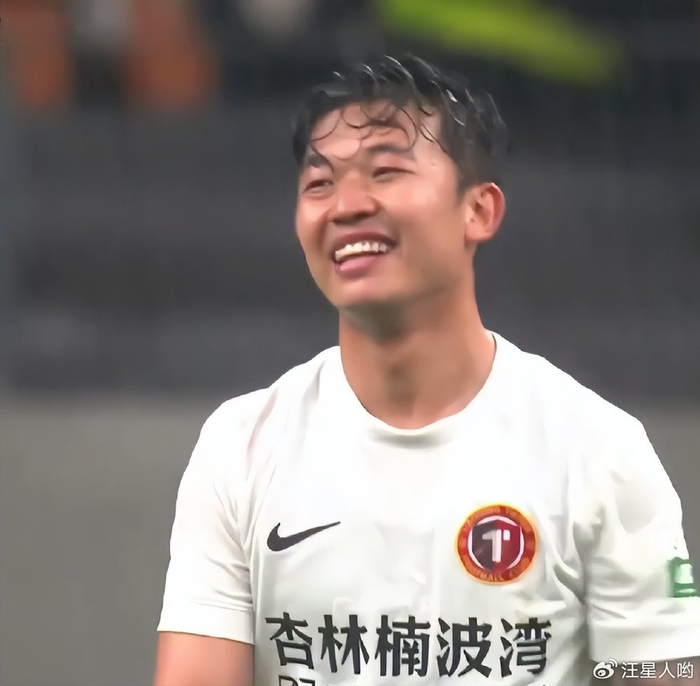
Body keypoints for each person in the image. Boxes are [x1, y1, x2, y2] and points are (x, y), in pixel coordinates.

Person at [153, 55, 700, 685]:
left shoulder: (600, 451)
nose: (346, 206)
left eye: (386, 171)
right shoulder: (241, 448)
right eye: (319, 184)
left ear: (480, 211)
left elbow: (657, 673)